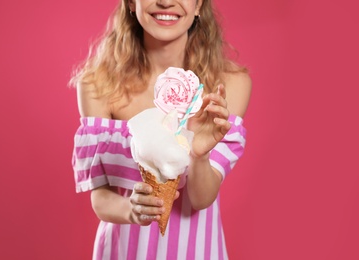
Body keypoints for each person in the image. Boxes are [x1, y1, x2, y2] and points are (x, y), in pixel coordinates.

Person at [70, 0, 252, 259]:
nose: (166, 1)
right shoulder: (98, 85)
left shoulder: (230, 84)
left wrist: (199, 154)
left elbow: (200, 199)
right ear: (132, 3)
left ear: (199, 4)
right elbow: (100, 199)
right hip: (123, 251)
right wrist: (131, 210)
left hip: (198, 251)